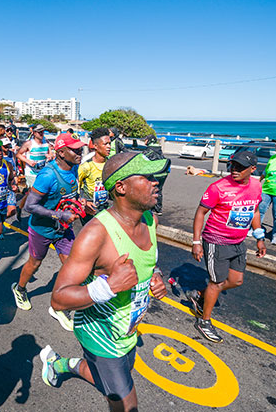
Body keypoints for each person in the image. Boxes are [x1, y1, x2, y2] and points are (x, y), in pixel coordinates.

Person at [41, 151, 169, 412]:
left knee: (112, 380)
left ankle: (60, 365)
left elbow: (147, 262)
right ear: (121, 187)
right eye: (146, 177)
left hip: (128, 331)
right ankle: (65, 365)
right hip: (100, 335)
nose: (155, 182)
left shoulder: (149, 220)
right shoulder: (96, 234)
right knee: (125, 403)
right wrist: (108, 287)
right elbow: (59, 299)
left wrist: (155, 275)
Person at [188, 151, 266, 343]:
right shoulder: (218, 188)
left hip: (238, 242)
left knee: (236, 280)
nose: (234, 170)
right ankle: (204, 321)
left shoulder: (256, 186)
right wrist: (196, 242)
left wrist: (259, 237)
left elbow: (255, 211)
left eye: (240, 167)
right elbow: (201, 213)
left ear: (253, 169)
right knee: (216, 282)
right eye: (233, 165)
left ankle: (200, 296)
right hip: (216, 241)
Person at [12, 133, 84, 331]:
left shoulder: (74, 168)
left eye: (80, 148)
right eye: (75, 149)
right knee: (35, 264)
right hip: (42, 229)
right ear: (61, 153)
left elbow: (71, 194)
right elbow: (30, 206)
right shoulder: (47, 175)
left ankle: (59, 307)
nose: (80, 152)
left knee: (71, 266)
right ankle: (20, 289)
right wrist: (60, 215)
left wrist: (80, 202)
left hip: (63, 229)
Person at [78, 127, 112, 223]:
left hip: (105, 206)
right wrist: (83, 202)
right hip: (90, 209)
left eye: (109, 143)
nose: (109, 147)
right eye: (105, 144)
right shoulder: (86, 166)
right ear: (95, 146)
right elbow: (76, 187)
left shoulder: (110, 164)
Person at [16, 124, 53, 214]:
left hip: (42, 171)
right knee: (35, 193)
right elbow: (18, 154)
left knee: (35, 192)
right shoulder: (29, 143)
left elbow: (51, 153)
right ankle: (29, 210)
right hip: (31, 172)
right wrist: (28, 161)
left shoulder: (46, 142)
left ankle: (23, 208)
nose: (41, 133)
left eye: (42, 131)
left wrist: (49, 156)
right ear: (34, 133)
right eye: (39, 132)